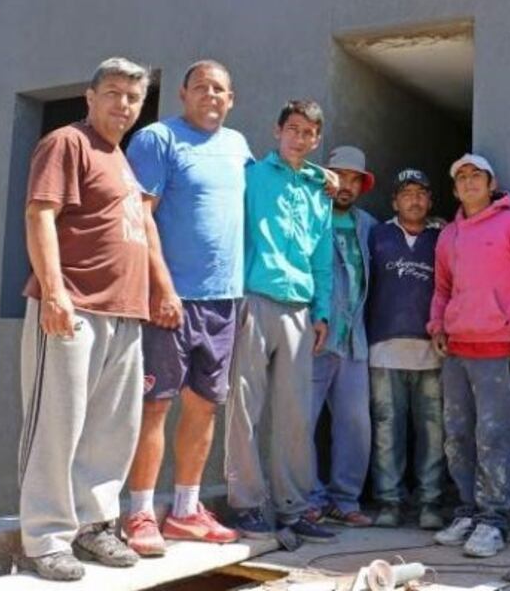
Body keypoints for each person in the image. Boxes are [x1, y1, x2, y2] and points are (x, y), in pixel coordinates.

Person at [17, 57, 156, 580]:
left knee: (111, 429)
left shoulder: (119, 157)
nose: (124, 105)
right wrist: (54, 292)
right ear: (90, 96)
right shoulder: (66, 142)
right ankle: (46, 537)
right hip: (72, 304)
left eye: (133, 98)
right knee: (56, 424)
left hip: (123, 311)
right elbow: (40, 215)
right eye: (115, 93)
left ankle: (95, 525)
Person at [122, 60, 250, 556]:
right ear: (183, 93)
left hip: (224, 301)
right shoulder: (157, 139)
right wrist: (160, 287)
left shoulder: (238, 147)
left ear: (231, 98)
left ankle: (185, 511)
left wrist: (320, 177)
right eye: (201, 87)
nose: (211, 95)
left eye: (220, 88)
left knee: (203, 405)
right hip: (169, 300)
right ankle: (138, 513)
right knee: (154, 405)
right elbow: (140, 215)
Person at [224, 100, 337, 544]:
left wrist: (322, 311)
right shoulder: (250, 176)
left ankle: (294, 507)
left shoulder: (318, 191)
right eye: (293, 129)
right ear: (277, 131)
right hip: (253, 300)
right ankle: (247, 505)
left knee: (294, 414)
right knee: (244, 407)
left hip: (299, 309)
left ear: (317, 139)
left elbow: (322, 259)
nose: (300, 138)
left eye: (309, 133)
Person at [428, 154, 510, 558]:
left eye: (475, 175)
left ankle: (493, 521)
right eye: (460, 177)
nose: (468, 182)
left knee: (495, 438)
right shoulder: (449, 236)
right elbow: (442, 288)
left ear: (490, 182)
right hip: (458, 353)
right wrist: (437, 326)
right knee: (457, 439)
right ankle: (467, 513)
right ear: (455, 188)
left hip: (502, 352)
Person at [367, 169, 446, 530]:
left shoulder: (443, 238)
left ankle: (430, 503)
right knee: (387, 431)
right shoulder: (376, 236)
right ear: (394, 201)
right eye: (406, 193)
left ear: (430, 201)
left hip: (433, 351)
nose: (414, 199)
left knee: (433, 431)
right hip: (383, 350)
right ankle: (389, 503)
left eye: (421, 193)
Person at [307, 146, 377, 527]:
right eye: (339, 175)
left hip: (355, 340)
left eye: (354, 179)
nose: (345, 185)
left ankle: (344, 499)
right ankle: (309, 498)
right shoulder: (309, 213)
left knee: (355, 424)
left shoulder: (368, 224)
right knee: (303, 420)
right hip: (315, 336)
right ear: (325, 176)